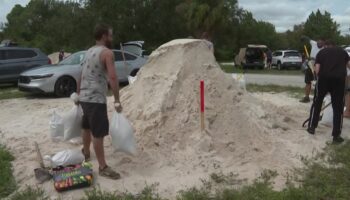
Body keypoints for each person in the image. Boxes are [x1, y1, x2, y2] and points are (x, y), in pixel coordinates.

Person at [77, 24, 122, 179]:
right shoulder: (107, 53)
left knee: (86, 126)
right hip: (96, 99)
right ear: (104, 36)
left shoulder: (88, 51)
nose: (111, 38)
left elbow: (80, 73)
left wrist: (78, 94)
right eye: (110, 35)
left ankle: (86, 153)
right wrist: (117, 99)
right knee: (98, 133)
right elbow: (113, 77)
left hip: (84, 97)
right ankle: (103, 167)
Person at [307, 40, 350, 144]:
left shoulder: (321, 53)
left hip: (324, 79)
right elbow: (349, 64)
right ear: (335, 45)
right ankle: (336, 135)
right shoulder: (343, 52)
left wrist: (316, 78)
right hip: (339, 81)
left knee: (317, 102)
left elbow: (317, 69)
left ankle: (312, 127)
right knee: (338, 107)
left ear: (326, 46)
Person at [300, 37, 324, 103]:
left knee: (318, 83)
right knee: (307, 82)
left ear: (323, 43)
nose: (318, 44)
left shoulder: (324, 49)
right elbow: (308, 39)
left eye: (320, 43)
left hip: (318, 67)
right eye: (318, 43)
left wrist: (313, 58)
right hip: (310, 65)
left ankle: (318, 99)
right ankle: (306, 97)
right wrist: (303, 37)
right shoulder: (314, 43)